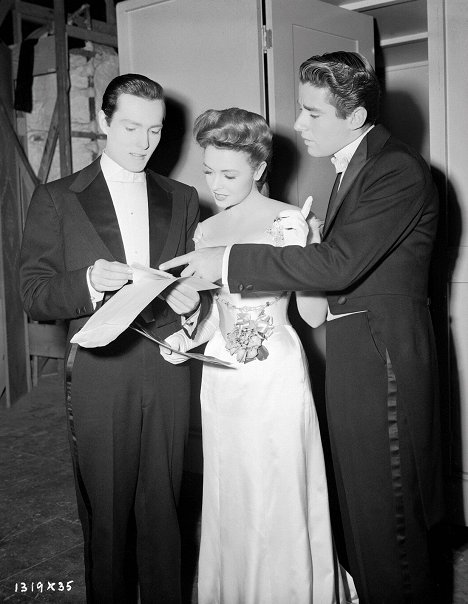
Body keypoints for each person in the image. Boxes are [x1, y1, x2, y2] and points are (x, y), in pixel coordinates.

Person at [160, 52, 443, 603]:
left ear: (355, 117)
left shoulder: (396, 169)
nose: (300, 123)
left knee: (389, 526)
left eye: (313, 113)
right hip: (335, 360)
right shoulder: (352, 170)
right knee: (363, 519)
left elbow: (336, 268)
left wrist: (233, 261)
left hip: (376, 361)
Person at [19, 74, 207, 604]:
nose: (144, 143)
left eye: (155, 130)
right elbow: (33, 295)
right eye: (130, 127)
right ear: (103, 123)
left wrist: (191, 305)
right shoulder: (58, 198)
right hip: (99, 371)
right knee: (107, 510)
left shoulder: (184, 197)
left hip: (169, 368)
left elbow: (192, 283)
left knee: (166, 507)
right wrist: (86, 283)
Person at [160, 107, 357, 604]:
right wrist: (189, 334)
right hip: (224, 376)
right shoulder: (207, 232)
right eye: (208, 171)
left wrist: (304, 250)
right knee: (231, 490)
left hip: (277, 374)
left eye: (229, 174)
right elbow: (210, 313)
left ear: (259, 168)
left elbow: (313, 317)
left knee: (281, 486)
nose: (216, 184)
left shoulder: (293, 220)